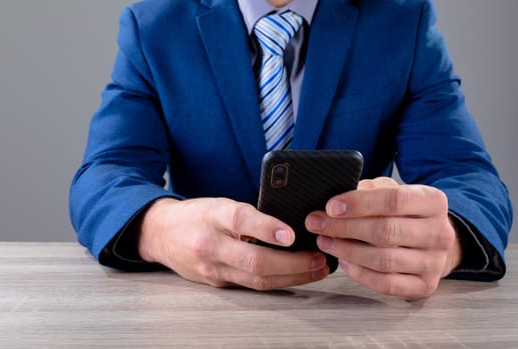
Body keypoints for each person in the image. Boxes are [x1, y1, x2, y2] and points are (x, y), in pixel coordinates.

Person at [70, 0, 513, 300]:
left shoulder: (401, 20)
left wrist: (448, 237)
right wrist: (160, 229)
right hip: (201, 309)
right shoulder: (155, 24)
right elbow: (104, 174)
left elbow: (469, 176)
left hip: (350, 302)